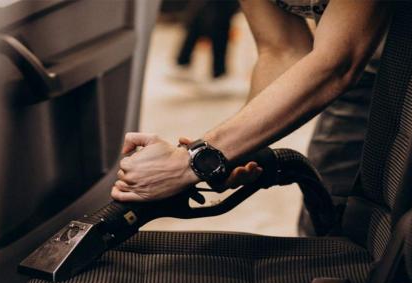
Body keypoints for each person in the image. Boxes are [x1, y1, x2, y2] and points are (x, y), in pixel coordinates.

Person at [112, 0, 389, 208]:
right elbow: (283, 50)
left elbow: (338, 62)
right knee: (330, 207)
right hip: (355, 80)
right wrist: (234, 153)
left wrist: (191, 162)